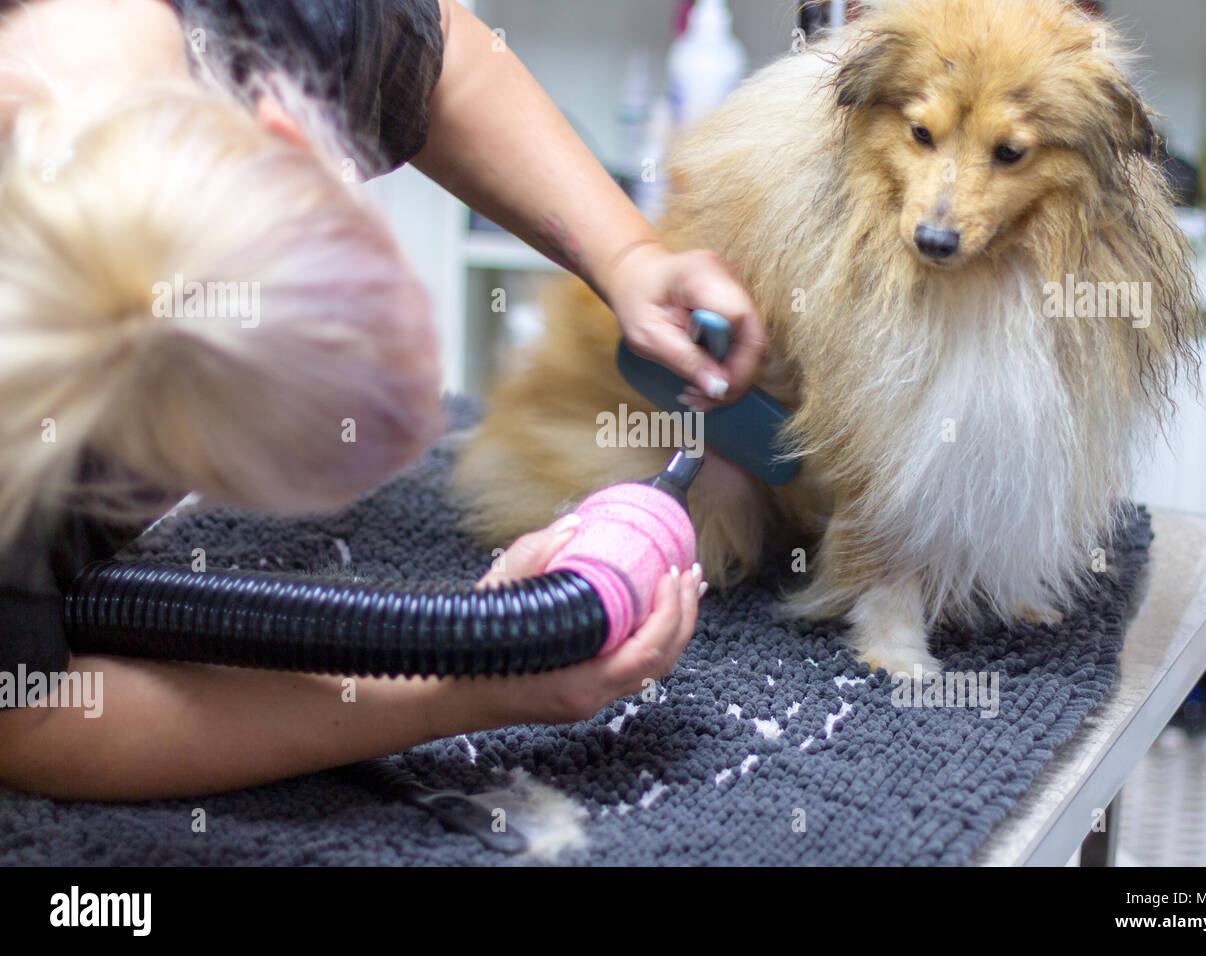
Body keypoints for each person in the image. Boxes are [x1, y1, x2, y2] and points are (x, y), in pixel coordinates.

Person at [0, 0, 764, 800]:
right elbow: (29, 717)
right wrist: (465, 692)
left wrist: (628, 254)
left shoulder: (272, 20)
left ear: (288, 137)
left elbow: (432, 60)